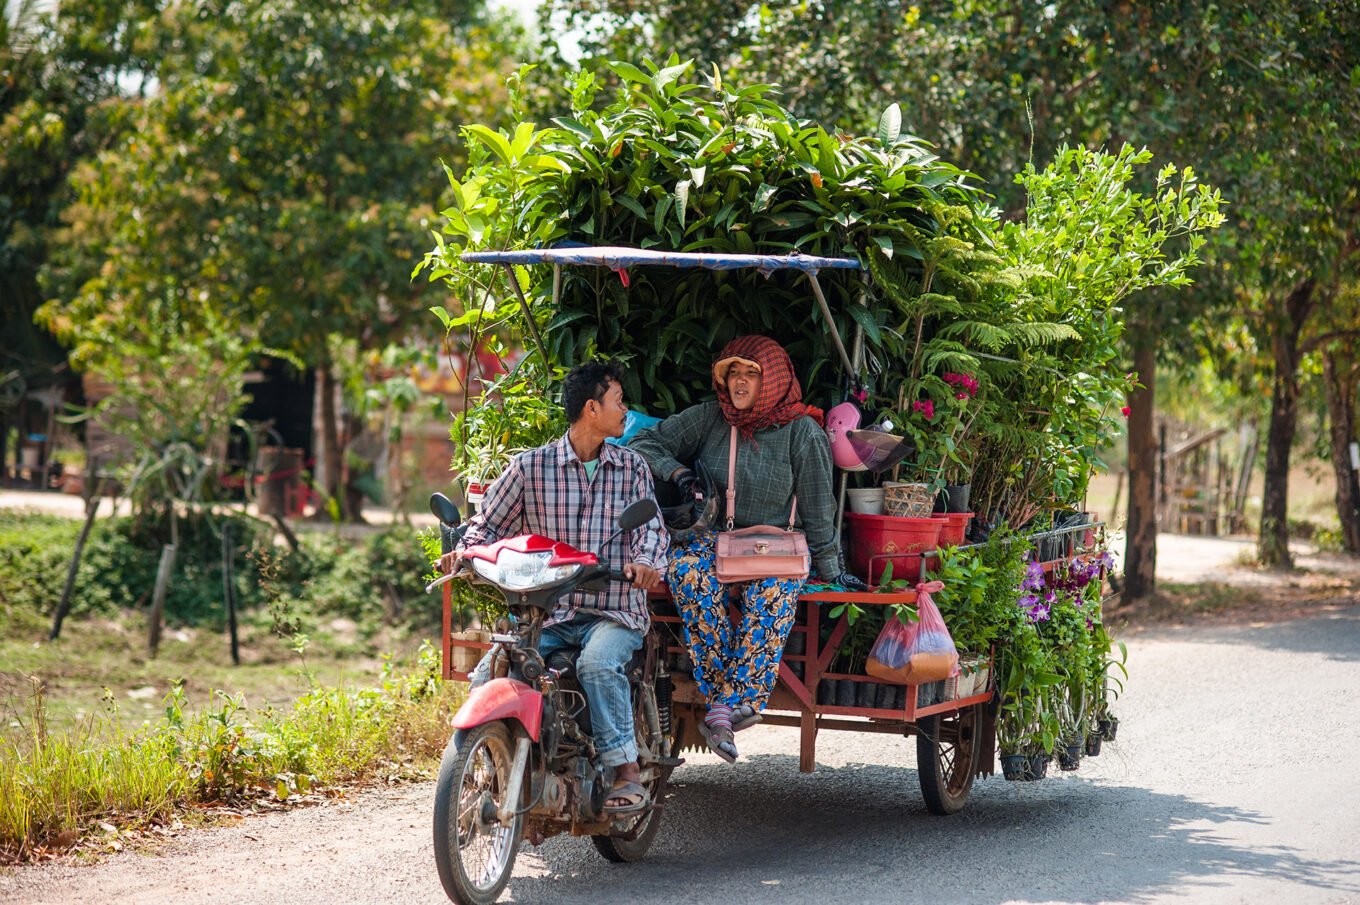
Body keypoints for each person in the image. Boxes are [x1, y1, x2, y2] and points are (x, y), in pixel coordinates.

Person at [439, 361, 668, 813]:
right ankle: (481, 765)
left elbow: (652, 530)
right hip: (549, 612)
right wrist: (462, 552)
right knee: (491, 671)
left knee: (599, 664)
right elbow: (486, 524)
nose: (626, 410)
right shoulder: (529, 468)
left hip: (613, 609)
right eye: (619, 401)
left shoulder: (631, 468)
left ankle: (625, 771)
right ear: (591, 408)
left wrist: (644, 562)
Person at [630, 335, 864, 763]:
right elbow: (644, 445)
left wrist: (831, 569)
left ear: (772, 380)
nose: (738, 382)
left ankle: (731, 704)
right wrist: (678, 472)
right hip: (717, 540)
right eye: (732, 373)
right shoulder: (711, 418)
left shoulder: (803, 432)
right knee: (684, 571)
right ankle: (726, 704)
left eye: (750, 374)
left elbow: (818, 505)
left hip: (778, 546)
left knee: (774, 591)